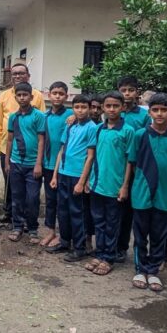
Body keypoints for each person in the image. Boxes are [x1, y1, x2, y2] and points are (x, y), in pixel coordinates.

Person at [129, 93, 167, 292]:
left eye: (164, 110)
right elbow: (133, 163)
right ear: (150, 112)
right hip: (141, 193)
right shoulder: (140, 135)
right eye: (155, 110)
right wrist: (139, 184)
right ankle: (140, 269)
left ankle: (153, 271)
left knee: (160, 235)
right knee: (140, 234)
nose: (159, 114)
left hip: (164, 195)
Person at [85, 91, 134, 276]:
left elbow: (130, 161)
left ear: (123, 107)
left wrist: (125, 186)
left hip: (115, 187)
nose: (111, 109)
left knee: (112, 224)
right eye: (108, 106)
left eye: (115, 106)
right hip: (97, 184)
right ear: (102, 108)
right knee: (99, 222)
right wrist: (88, 180)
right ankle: (99, 254)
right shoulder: (98, 129)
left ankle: (108, 258)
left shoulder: (128, 131)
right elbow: (91, 156)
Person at [0, 64, 46, 222]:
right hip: (7, 148)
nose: (17, 76)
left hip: (30, 152)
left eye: (21, 73)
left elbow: (43, 122)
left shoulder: (37, 95)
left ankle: (28, 219)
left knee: (30, 189)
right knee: (10, 184)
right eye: (14, 73)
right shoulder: (4, 95)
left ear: (28, 76)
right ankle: (10, 215)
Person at [48, 94, 96, 261]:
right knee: (63, 211)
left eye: (83, 107)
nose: (80, 110)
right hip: (63, 174)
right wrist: (55, 175)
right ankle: (64, 241)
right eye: (77, 107)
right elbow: (62, 150)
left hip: (77, 176)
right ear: (73, 108)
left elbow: (90, 156)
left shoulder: (92, 128)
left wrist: (82, 181)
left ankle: (80, 248)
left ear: (89, 109)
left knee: (77, 213)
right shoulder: (70, 125)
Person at [4, 82, 45, 244]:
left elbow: (41, 140)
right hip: (16, 163)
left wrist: (38, 164)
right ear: (15, 97)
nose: (22, 98)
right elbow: (9, 140)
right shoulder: (13, 117)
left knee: (32, 198)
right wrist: (7, 162)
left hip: (32, 165)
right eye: (19, 95)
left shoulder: (39, 116)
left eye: (25, 95)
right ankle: (17, 227)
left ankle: (33, 229)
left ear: (31, 97)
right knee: (16, 198)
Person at [117, 76, 150, 262]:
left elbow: (145, 141)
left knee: (128, 211)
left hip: (135, 168)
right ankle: (111, 245)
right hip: (115, 166)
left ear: (137, 92)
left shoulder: (144, 116)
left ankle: (123, 247)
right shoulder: (115, 111)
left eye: (131, 90)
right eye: (123, 90)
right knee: (114, 210)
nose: (127, 94)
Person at [40, 81, 72, 247]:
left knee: (63, 203)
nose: (57, 96)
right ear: (49, 95)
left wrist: (75, 117)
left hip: (65, 167)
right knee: (50, 201)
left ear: (66, 96)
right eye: (55, 93)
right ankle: (50, 231)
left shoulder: (71, 115)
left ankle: (63, 234)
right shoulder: (45, 116)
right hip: (47, 165)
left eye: (61, 94)